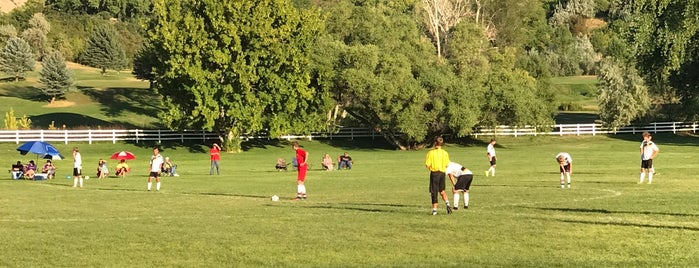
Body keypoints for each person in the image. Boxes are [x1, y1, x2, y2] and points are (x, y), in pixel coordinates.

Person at [425, 137, 452, 215]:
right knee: (442, 190)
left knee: (434, 192)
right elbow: (447, 164)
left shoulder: (431, 153)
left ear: (435, 143)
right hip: (442, 173)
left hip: (435, 173)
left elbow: (427, 164)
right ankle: (447, 204)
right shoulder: (445, 153)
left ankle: (434, 210)